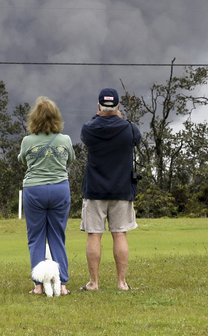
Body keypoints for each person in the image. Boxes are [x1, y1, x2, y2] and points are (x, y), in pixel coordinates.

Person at [78, 87, 141, 291]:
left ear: (99, 106)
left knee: (94, 235)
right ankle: (121, 283)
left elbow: (86, 137)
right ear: (118, 106)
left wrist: (100, 117)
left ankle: (94, 283)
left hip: (95, 189)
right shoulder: (130, 129)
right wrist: (120, 119)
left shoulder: (89, 128)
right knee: (120, 234)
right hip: (122, 190)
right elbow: (136, 140)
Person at [18, 96, 75, 295]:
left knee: (36, 238)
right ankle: (62, 284)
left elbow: (22, 159)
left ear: (34, 118)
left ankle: (39, 285)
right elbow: (71, 159)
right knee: (57, 236)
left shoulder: (27, 141)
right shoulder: (65, 139)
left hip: (34, 190)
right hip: (60, 188)